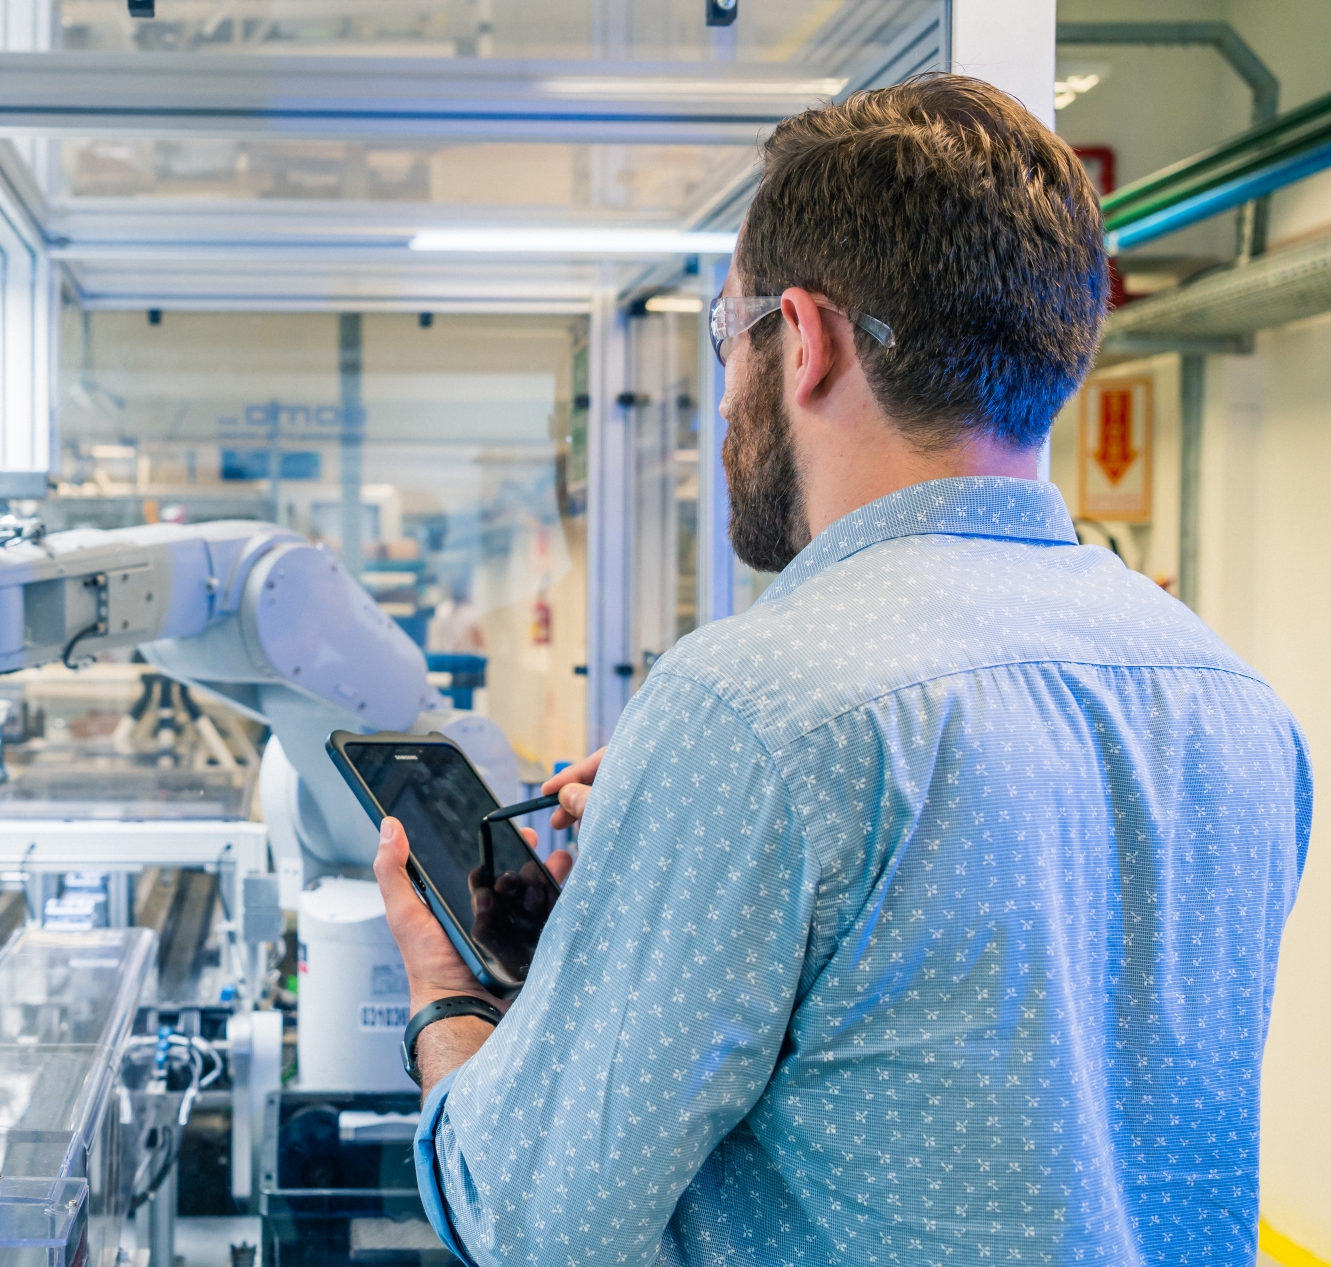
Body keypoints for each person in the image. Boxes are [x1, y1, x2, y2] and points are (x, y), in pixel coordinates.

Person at [373, 73, 1311, 1266]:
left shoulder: (756, 710)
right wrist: (672, 862)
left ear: (800, 340)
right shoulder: (1233, 703)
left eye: (728, 336)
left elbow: (526, 1220)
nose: (724, 392)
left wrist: (442, 994)